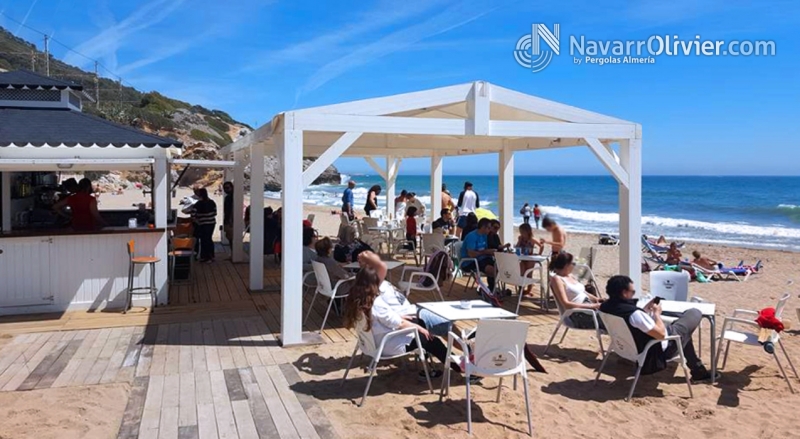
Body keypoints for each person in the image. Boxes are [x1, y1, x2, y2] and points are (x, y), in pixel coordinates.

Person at [342, 251, 458, 378]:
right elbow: (397, 323)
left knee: (418, 324)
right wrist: (419, 329)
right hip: (388, 343)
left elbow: (384, 319)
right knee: (432, 340)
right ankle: (459, 367)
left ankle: (429, 367)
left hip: (373, 342)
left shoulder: (357, 300)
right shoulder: (376, 302)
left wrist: (407, 321)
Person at [600, 275, 716, 381]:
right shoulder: (634, 314)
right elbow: (661, 335)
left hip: (626, 349)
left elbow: (634, 324)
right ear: (624, 293)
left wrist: (644, 310)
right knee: (694, 312)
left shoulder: (605, 307)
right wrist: (657, 314)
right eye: (632, 291)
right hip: (658, 349)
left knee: (684, 332)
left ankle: (698, 369)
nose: (633, 294)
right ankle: (698, 370)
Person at [549, 252, 605, 327]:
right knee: (612, 320)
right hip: (577, 314)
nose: (574, 266)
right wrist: (593, 306)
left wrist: (596, 299)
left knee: (616, 311)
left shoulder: (570, 276)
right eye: (573, 263)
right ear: (566, 265)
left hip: (588, 309)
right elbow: (566, 304)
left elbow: (582, 292)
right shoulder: (557, 279)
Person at [460, 218, 497, 293]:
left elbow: (484, 250)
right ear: (483, 227)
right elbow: (471, 254)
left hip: (481, 259)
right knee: (492, 270)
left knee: (498, 266)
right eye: (489, 228)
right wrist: (486, 252)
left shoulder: (484, 236)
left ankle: (491, 289)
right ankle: (490, 291)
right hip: (469, 262)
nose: (490, 230)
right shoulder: (472, 236)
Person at [189, 188, 217, 262]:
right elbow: (215, 213)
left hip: (202, 224)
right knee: (209, 239)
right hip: (211, 223)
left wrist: (197, 221)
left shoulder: (198, 204)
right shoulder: (212, 202)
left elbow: (193, 215)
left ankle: (205, 257)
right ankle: (211, 256)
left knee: (204, 240)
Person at [516, 223, 543, 296]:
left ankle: (528, 290)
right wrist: (519, 240)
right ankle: (521, 289)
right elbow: (517, 247)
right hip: (522, 258)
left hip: (530, 258)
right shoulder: (520, 238)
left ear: (528, 231)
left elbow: (541, 246)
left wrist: (539, 254)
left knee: (529, 274)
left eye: (523, 232)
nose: (521, 233)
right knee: (522, 273)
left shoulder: (532, 240)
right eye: (520, 232)